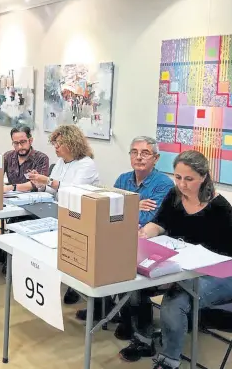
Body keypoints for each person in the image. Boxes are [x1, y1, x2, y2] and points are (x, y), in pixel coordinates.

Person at [119, 150, 232, 369]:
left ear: (204, 177)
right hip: (180, 266)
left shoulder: (220, 209)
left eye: (189, 179)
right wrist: (145, 233)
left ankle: (169, 360)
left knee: (176, 300)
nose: (182, 184)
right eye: (178, 177)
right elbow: (160, 222)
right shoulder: (174, 196)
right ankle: (144, 339)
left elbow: (225, 257)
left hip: (221, 273)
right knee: (135, 285)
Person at [74, 136, 174, 334]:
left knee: (126, 271)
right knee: (94, 256)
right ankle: (104, 308)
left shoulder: (164, 184)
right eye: (134, 152)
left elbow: (148, 217)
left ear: (156, 158)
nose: (139, 157)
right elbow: (105, 210)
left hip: (149, 243)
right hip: (120, 237)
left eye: (145, 153)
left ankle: (136, 327)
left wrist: (122, 208)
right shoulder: (123, 179)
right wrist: (134, 206)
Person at [28, 124, 99, 304]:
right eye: (55, 144)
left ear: (72, 143)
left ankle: (74, 284)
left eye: (59, 143)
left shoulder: (87, 164)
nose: (56, 148)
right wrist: (40, 184)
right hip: (60, 210)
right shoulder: (60, 163)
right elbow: (53, 192)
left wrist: (49, 181)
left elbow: (75, 191)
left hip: (80, 215)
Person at [0, 126, 50, 265]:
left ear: (30, 140)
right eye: (16, 143)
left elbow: (35, 184)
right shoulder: (8, 156)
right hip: (11, 200)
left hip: (33, 205)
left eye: (23, 142)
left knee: (14, 225)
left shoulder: (41, 158)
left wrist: (11, 187)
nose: (20, 146)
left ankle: (11, 259)